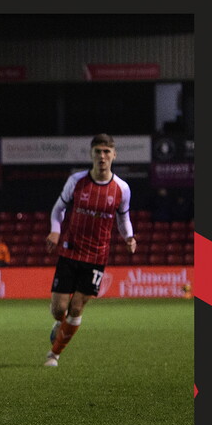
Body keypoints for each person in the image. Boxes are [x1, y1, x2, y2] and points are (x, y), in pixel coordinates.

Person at [44, 133, 137, 367]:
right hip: (70, 250)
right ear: (91, 155)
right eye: (98, 152)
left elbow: (123, 218)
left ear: (114, 155)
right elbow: (58, 209)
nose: (102, 156)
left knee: (77, 308)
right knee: (59, 309)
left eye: (107, 152)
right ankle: (59, 323)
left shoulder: (122, 189)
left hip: (96, 256)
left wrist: (129, 237)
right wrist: (55, 230)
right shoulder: (77, 181)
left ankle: (54, 354)